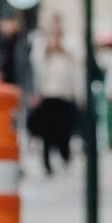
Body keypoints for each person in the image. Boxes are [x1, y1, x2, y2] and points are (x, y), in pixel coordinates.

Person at [27, 10, 83, 173]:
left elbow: (76, 73)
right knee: (47, 131)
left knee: (64, 131)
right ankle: (47, 163)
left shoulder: (69, 50)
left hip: (64, 96)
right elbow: (36, 71)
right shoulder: (41, 50)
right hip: (47, 96)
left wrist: (78, 95)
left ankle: (64, 156)